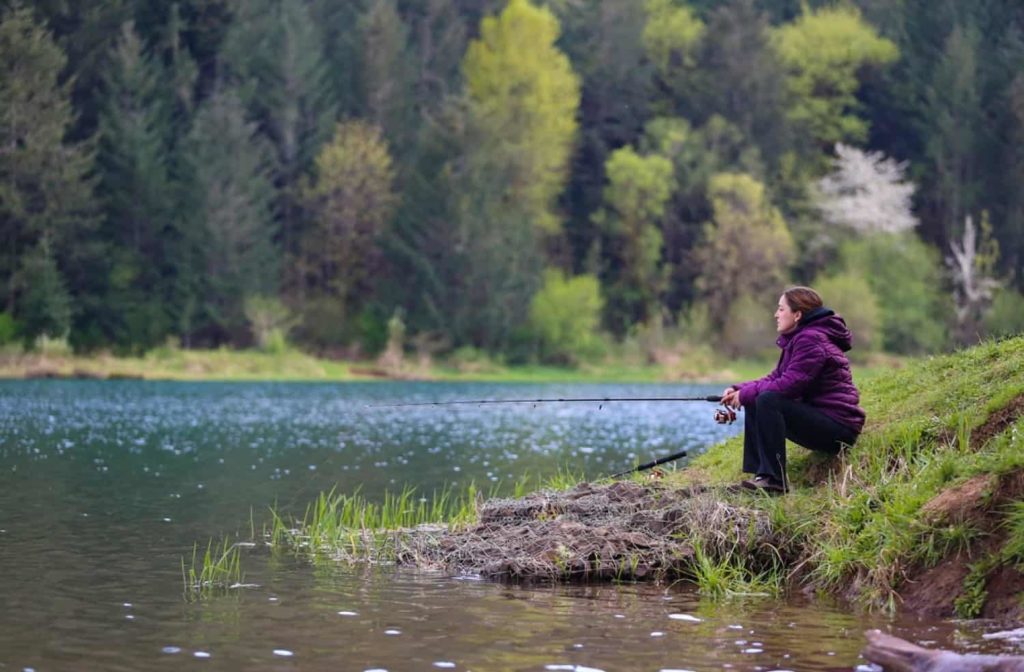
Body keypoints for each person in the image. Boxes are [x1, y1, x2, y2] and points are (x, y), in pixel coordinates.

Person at [720, 286, 865, 494]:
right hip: (822, 420)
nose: (776, 315)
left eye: (781, 309)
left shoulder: (811, 339)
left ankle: (775, 481)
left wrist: (745, 394)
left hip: (839, 428)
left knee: (768, 399)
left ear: (797, 314)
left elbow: (789, 385)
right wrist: (738, 390)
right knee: (758, 397)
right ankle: (761, 475)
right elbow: (775, 377)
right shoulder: (801, 337)